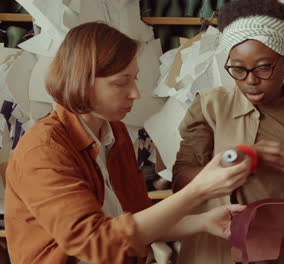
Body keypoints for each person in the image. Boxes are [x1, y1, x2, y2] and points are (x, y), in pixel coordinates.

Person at [4, 22, 252, 264]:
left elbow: (135, 220)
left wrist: (203, 221)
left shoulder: (114, 132)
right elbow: (95, 243)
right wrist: (198, 190)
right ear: (82, 80)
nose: (135, 93)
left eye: (134, 79)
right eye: (121, 82)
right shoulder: (44, 150)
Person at [172, 0, 284, 263]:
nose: (250, 80)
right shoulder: (209, 105)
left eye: (263, 67)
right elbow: (182, 180)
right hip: (222, 248)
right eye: (238, 68)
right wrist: (243, 160)